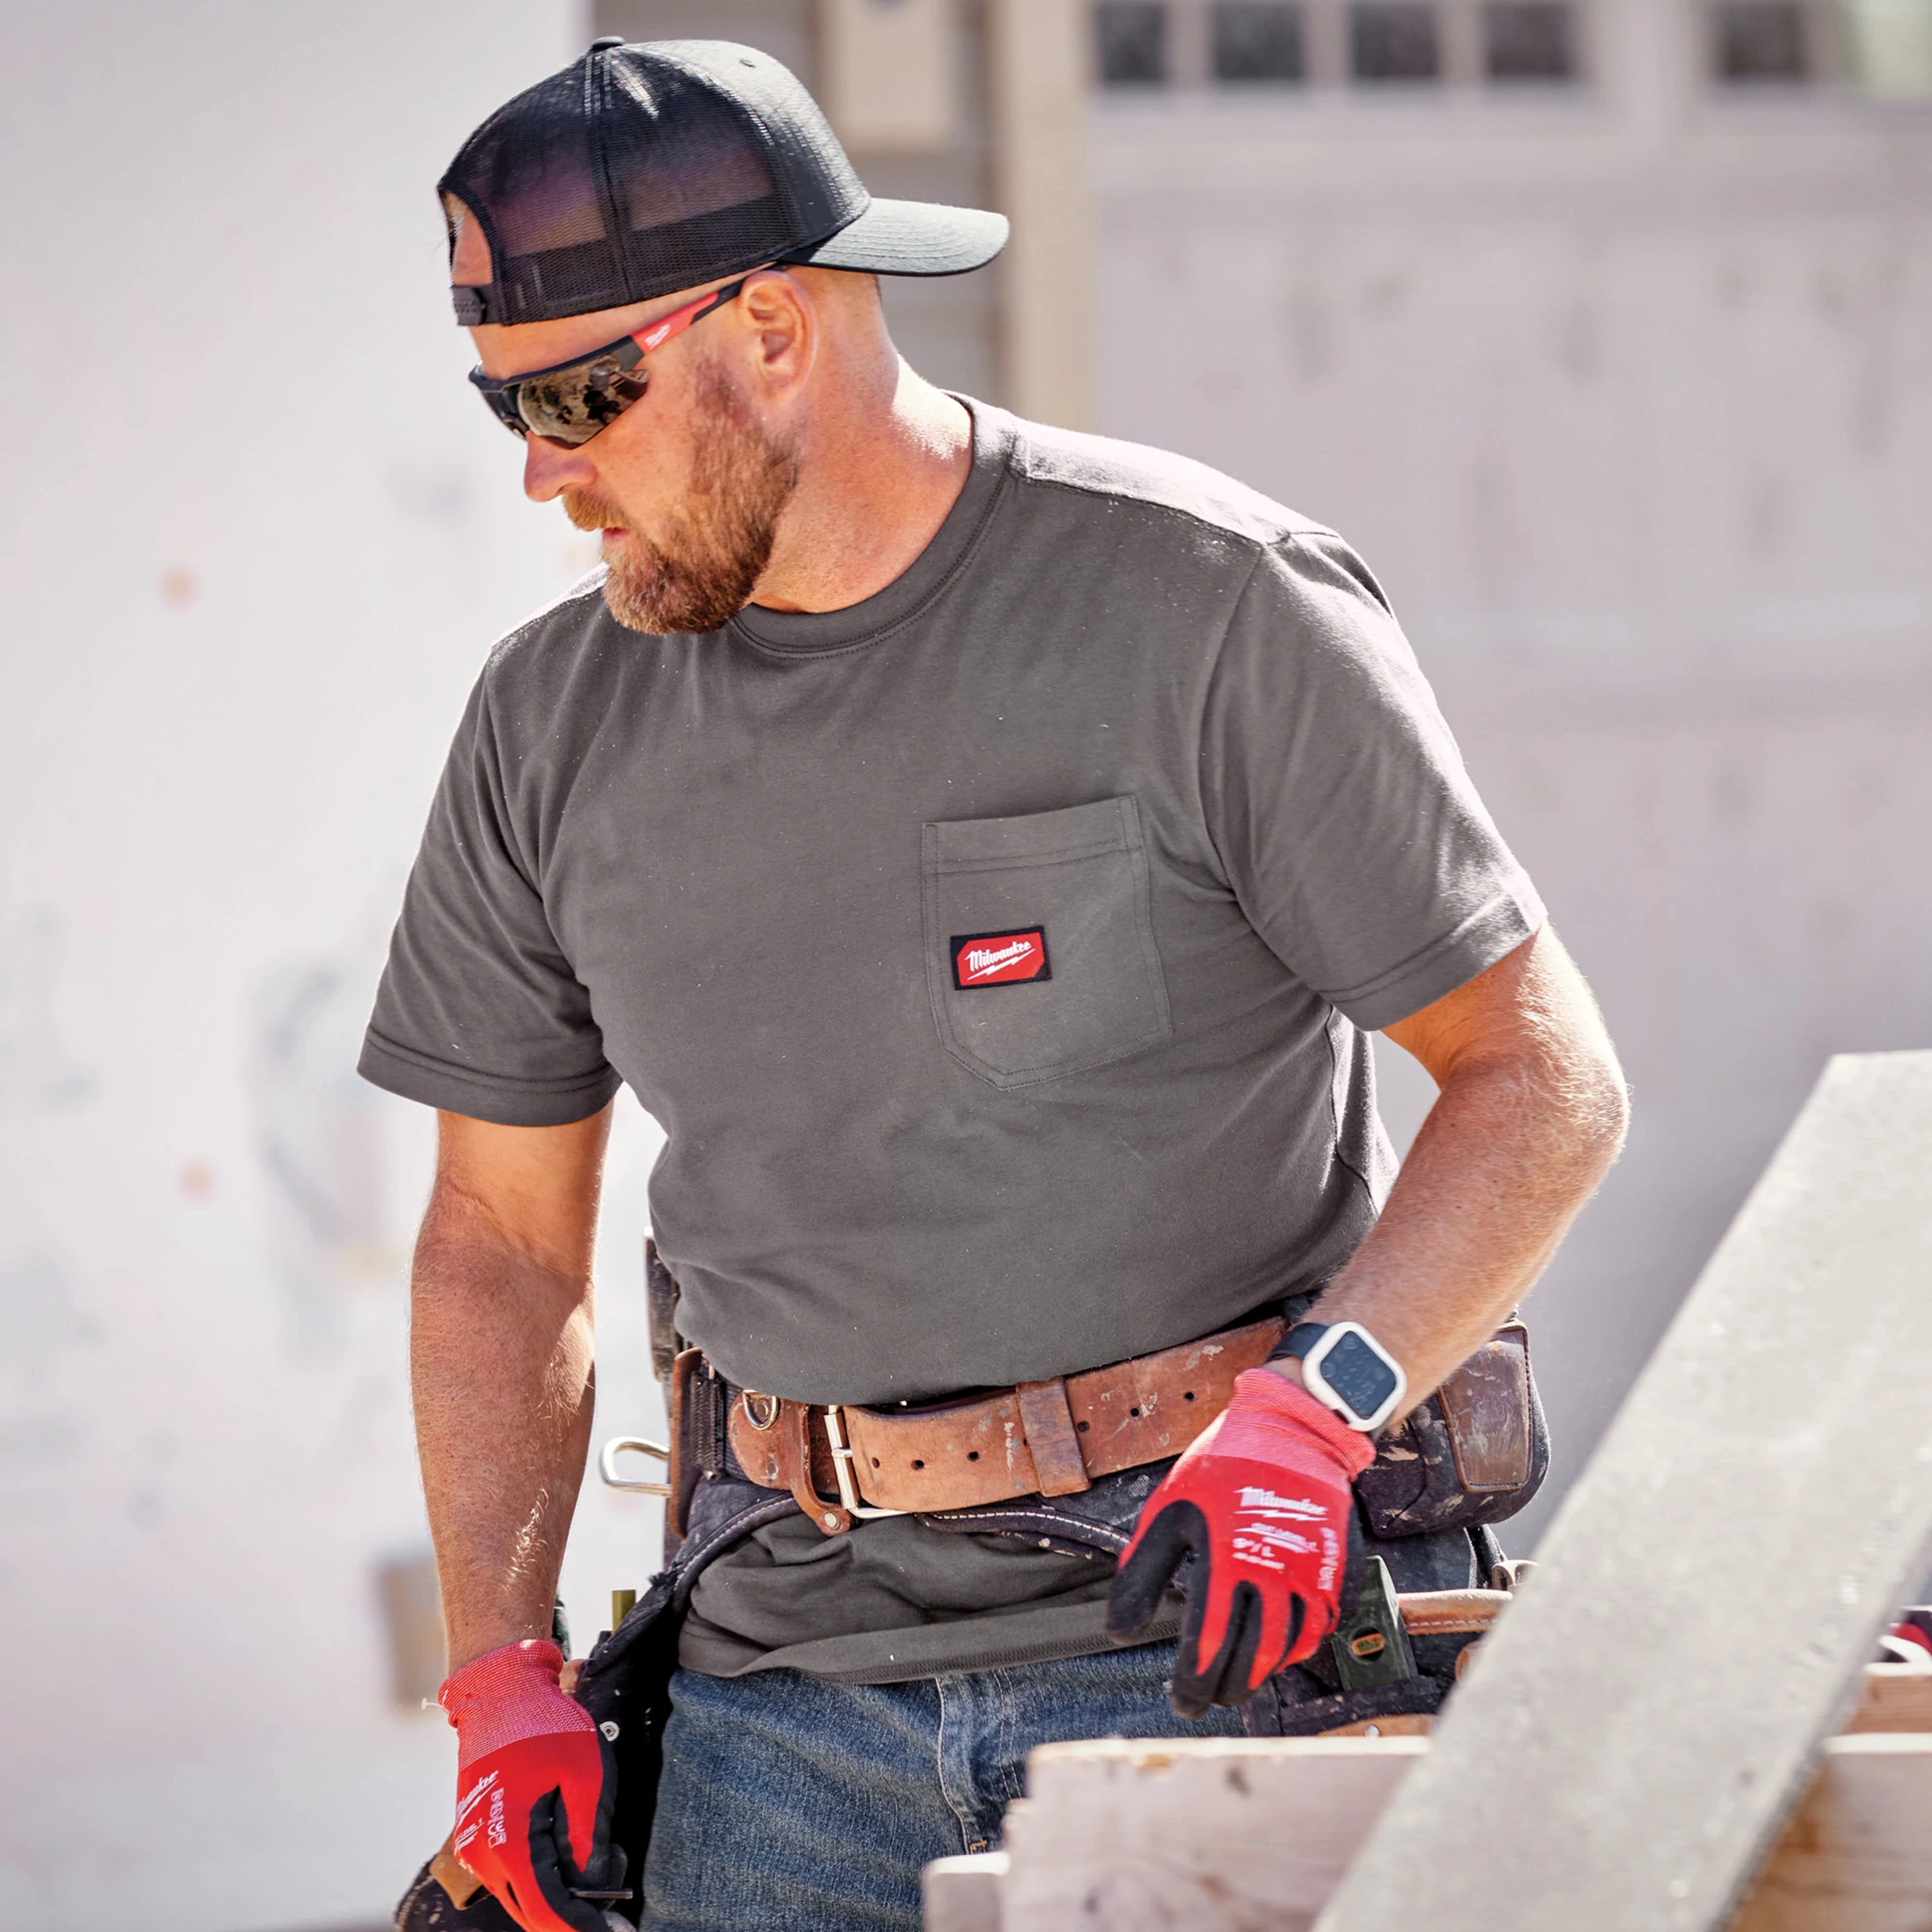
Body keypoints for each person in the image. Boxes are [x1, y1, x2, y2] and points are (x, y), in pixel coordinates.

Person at [365, 36, 1628, 1932]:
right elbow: (496, 1247)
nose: (546, 473)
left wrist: (1318, 1411)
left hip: (1210, 1663)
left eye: (586, 396)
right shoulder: (547, 725)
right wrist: (500, 1669)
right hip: (768, 1721)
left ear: (775, 330)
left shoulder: (1207, 606)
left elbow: (1538, 1078)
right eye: (505, 411)